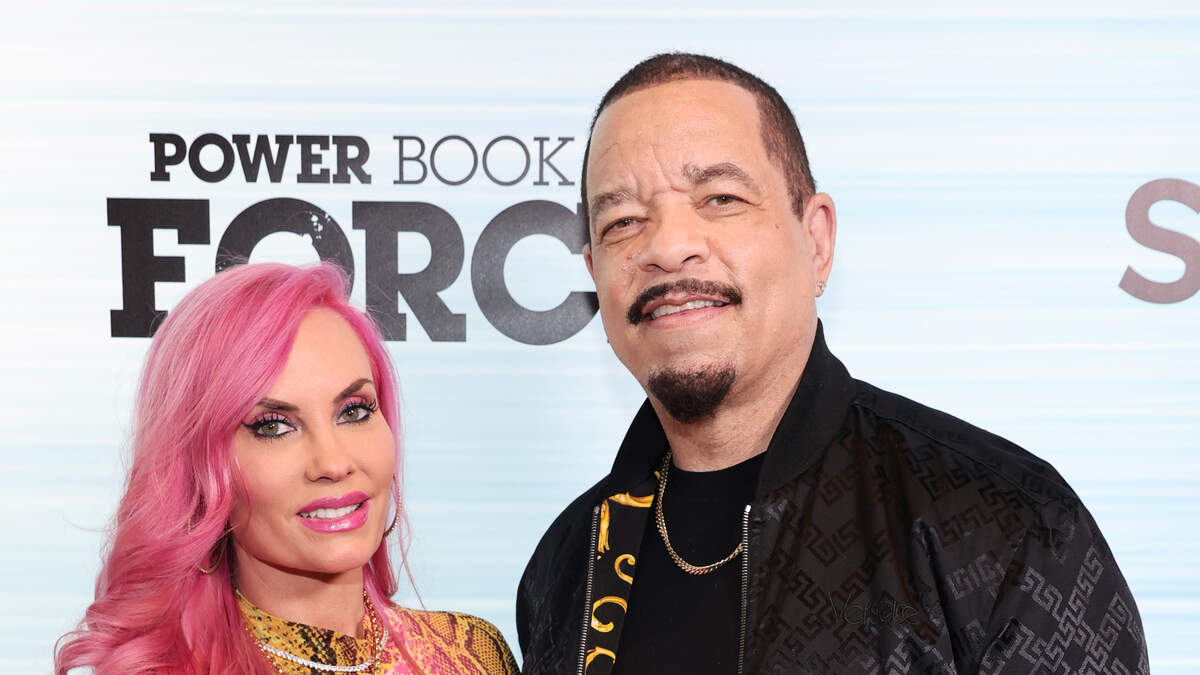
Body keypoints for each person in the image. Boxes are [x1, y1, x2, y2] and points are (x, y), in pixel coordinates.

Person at [516, 53, 1148, 675]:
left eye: (721, 198)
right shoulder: (565, 566)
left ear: (816, 239)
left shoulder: (1006, 526)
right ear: (595, 272)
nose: (669, 245)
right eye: (623, 221)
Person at [55, 262, 518, 675]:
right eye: (274, 426)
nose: (333, 463)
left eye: (354, 411)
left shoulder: (473, 655)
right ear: (200, 466)